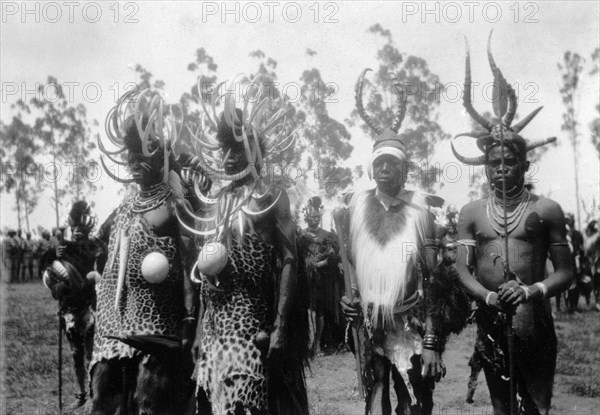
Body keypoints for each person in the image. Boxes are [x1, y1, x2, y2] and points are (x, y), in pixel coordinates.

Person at [451, 35, 573, 415]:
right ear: (485, 166)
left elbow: (567, 271)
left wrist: (533, 291)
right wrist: (488, 297)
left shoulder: (546, 210)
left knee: (536, 407)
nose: (501, 170)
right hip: (490, 321)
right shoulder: (471, 213)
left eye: (509, 162)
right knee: (502, 408)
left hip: (534, 322)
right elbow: (460, 270)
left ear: (523, 164)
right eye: (494, 163)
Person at [339, 69, 469, 415]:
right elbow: (349, 260)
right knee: (375, 395)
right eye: (379, 163)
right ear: (371, 168)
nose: (385, 169)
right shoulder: (354, 205)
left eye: (392, 164)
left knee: (416, 402)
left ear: (404, 169)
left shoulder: (420, 209)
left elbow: (433, 278)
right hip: (369, 320)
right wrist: (347, 298)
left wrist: (430, 340)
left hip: (411, 318)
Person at [180, 78, 309, 415]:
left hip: (255, 326)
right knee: (210, 403)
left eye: (237, 151)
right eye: (225, 152)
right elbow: (205, 279)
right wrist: (197, 332)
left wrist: (280, 327)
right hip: (214, 330)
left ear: (254, 152)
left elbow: (290, 261)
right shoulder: (216, 203)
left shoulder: (272, 198)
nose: (229, 159)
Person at [91, 89, 199, 414]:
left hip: (161, 328)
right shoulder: (125, 204)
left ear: (160, 158)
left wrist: (191, 320)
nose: (136, 166)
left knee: (152, 401)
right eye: (132, 159)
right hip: (117, 325)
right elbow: (106, 252)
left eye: (144, 159)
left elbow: (191, 262)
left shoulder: (176, 202)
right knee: (108, 400)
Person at [42, 201, 104, 409]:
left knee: (89, 354)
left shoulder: (94, 247)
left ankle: (94, 393)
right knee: (76, 354)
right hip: (69, 309)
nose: (77, 232)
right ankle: (81, 393)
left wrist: (93, 279)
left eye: (81, 228)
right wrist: (53, 259)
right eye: (74, 228)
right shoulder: (63, 248)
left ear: (87, 228)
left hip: (88, 307)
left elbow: (98, 273)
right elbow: (48, 270)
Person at [298, 196, 344, 356]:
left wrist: (321, 264)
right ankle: (306, 344)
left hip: (321, 281)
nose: (314, 220)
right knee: (306, 311)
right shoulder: (300, 236)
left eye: (317, 217)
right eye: (311, 217)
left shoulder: (327, 235)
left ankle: (317, 345)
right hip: (304, 279)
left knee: (320, 312)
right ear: (306, 217)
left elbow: (333, 255)